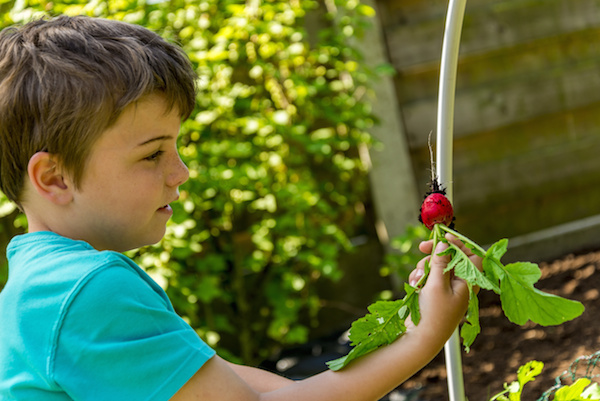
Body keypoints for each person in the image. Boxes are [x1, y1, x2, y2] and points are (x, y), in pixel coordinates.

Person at [0, 15, 480, 400]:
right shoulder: (90, 292)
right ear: (55, 178)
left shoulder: (38, 291)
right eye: (152, 154)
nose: (181, 171)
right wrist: (422, 337)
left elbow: (229, 382)